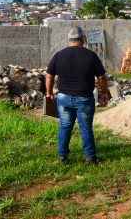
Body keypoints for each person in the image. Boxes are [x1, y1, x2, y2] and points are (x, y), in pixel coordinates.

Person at [46, 26, 110, 165]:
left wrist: (49, 92)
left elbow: (49, 76)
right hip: (84, 98)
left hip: (63, 98)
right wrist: (103, 93)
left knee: (65, 126)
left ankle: (63, 157)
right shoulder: (91, 55)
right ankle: (90, 158)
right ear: (83, 39)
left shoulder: (59, 55)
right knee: (85, 128)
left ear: (69, 40)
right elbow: (102, 77)